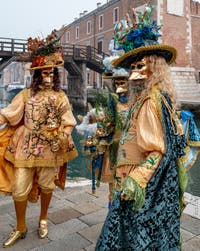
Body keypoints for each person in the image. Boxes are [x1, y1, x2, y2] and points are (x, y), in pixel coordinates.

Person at [95, 5, 189, 250]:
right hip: (132, 174)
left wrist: (135, 181)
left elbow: (156, 151)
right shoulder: (157, 97)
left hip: (138, 179)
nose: (133, 74)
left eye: (140, 66)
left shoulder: (149, 102)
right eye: (131, 68)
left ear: (153, 67)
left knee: (132, 234)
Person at [0, 30, 78, 247]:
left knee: (47, 185)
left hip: (50, 146)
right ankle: (20, 227)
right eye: (44, 74)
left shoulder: (60, 97)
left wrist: (63, 136)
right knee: (19, 187)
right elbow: (9, 112)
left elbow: (68, 119)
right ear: (36, 76)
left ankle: (43, 219)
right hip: (25, 146)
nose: (48, 78)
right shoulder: (26, 95)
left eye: (51, 74)